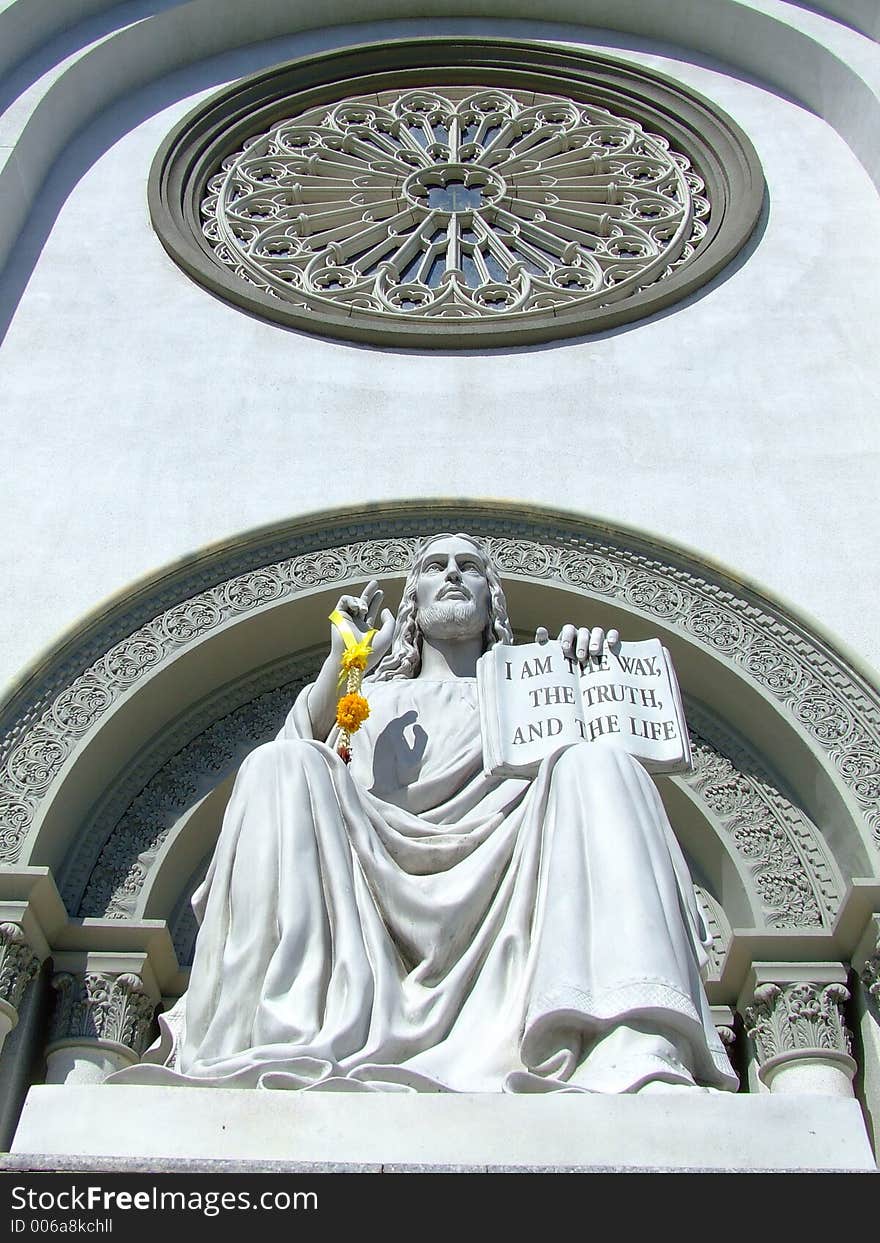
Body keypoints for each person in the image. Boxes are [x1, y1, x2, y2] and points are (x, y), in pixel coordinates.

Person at [117, 533, 736, 1093]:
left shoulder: (533, 693)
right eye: (435, 566)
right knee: (278, 765)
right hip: (366, 885)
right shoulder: (368, 699)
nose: (453, 575)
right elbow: (291, 786)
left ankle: (630, 1041)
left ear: (493, 598)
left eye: (470, 566)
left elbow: (591, 786)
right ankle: (283, 1028)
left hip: (515, 874)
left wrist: (588, 675)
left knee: (599, 764)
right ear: (412, 596)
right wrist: (346, 661)